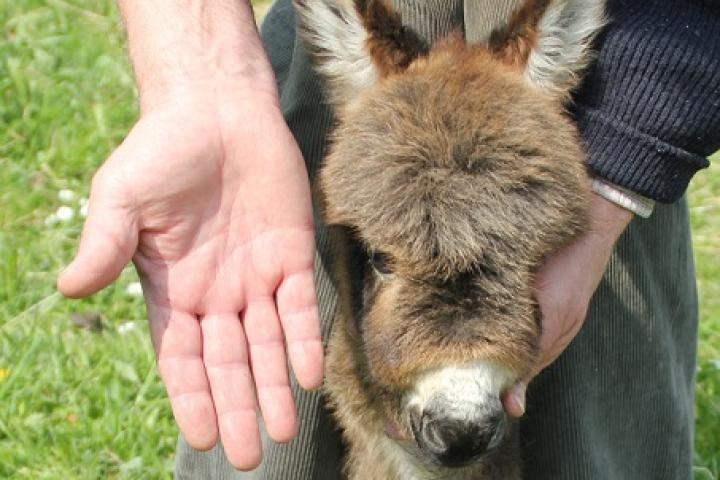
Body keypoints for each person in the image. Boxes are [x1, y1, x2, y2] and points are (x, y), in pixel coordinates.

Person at [57, 0, 719, 478]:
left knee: (596, 430)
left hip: (609, 81)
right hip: (350, 108)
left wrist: (620, 160)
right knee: (273, 427)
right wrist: (201, 77)